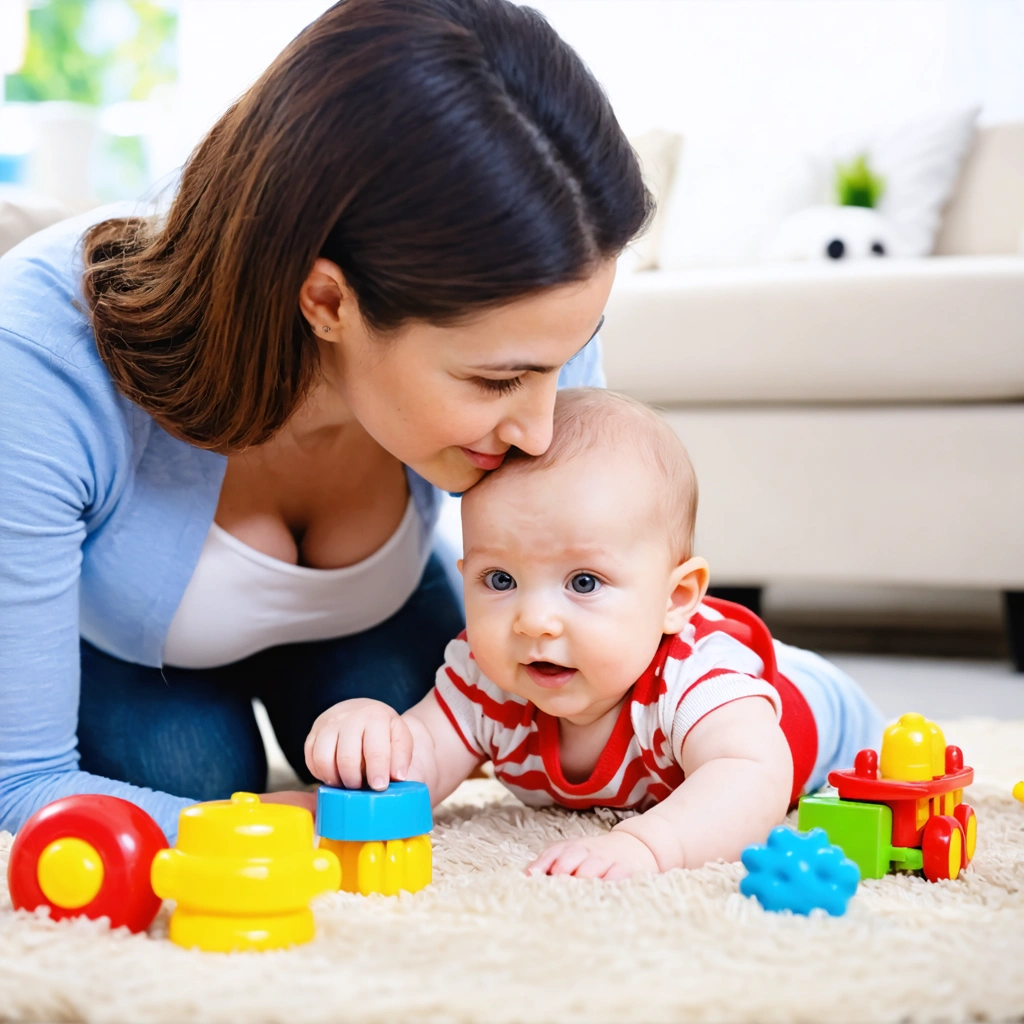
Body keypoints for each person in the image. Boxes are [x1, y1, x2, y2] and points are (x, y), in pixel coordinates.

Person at [0, 0, 652, 842]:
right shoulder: (40, 354)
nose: (542, 429)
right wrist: (283, 830)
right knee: (187, 770)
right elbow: (21, 784)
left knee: (452, 713)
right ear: (326, 300)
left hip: (369, 623)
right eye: (499, 381)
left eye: (565, 361)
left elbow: (645, 646)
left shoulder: (533, 323)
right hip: (120, 643)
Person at [304, 388, 885, 879]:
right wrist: (368, 737)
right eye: (499, 579)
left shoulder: (696, 681)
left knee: (777, 734)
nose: (533, 620)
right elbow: (424, 755)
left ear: (675, 598)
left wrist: (648, 844)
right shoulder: (486, 677)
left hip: (818, 707)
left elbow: (754, 775)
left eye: (583, 582)